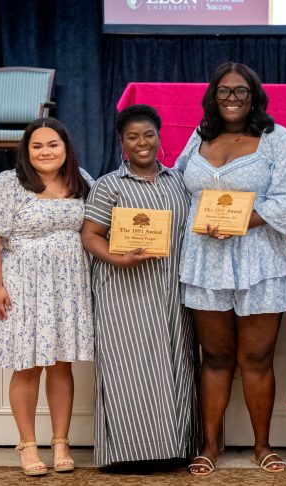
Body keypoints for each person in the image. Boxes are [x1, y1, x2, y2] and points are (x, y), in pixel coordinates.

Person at [174, 62, 286, 475]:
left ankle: (261, 446)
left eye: (241, 92)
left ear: (254, 96)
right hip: (204, 261)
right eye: (224, 91)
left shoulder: (275, 139)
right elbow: (177, 185)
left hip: (259, 262)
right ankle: (210, 446)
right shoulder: (200, 136)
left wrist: (240, 221)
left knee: (257, 358)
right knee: (214, 357)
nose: (232, 99)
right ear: (213, 96)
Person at [81, 104, 199, 467]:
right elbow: (91, 235)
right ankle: (127, 454)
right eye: (133, 137)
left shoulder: (179, 180)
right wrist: (118, 258)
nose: (142, 142)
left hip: (171, 290)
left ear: (160, 138)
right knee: (127, 369)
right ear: (123, 142)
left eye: (148, 134)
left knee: (175, 366)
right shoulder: (108, 186)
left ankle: (175, 449)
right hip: (123, 290)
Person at [0, 117, 93, 476]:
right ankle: (27, 445)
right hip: (23, 286)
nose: (45, 152)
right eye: (37, 146)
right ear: (26, 151)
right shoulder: (8, 184)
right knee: (26, 366)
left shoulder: (82, 181)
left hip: (69, 287)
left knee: (61, 364)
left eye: (53, 144)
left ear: (66, 148)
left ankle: (61, 441)